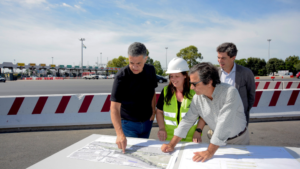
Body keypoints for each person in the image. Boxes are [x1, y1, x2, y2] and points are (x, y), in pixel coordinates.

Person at [161, 62, 249, 162]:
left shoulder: (230, 93)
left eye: (194, 84)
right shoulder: (197, 98)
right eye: (190, 84)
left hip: (238, 141)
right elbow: (187, 121)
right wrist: (171, 144)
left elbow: (224, 124)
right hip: (215, 142)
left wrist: (210, 152)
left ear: (209, 81)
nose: (191, 88)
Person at [110, 42, 157, 153]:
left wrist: (153, 111)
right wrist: (120, 134)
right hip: (128, 124)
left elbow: (152, 92)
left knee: (142, 154)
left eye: (138, 63)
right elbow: (114, 108)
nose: (135, 67)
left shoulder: (151, 71)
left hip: (147, 122)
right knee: (130, 157)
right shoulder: (121, 76)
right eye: (131, 63)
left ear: (146, 59)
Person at [156, 58, 202, 143]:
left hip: (191, 138)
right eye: (171, 76)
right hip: (169, 138)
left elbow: (203, 115)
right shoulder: (165, 91)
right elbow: (159, 112)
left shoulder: (195, 91)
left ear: (185, 75)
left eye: (177, 76)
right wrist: (162, 128)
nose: (173, 79)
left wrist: (198, 131)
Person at [217, 42, 255, 125]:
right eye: (218, 57)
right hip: (219, 118)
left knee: (239, 138)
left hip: (238, 118)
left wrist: (244, 110)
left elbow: (251, 95)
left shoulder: (246, 73)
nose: (220, 61)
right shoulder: (215, 73)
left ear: (233, 58)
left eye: (223, 58)